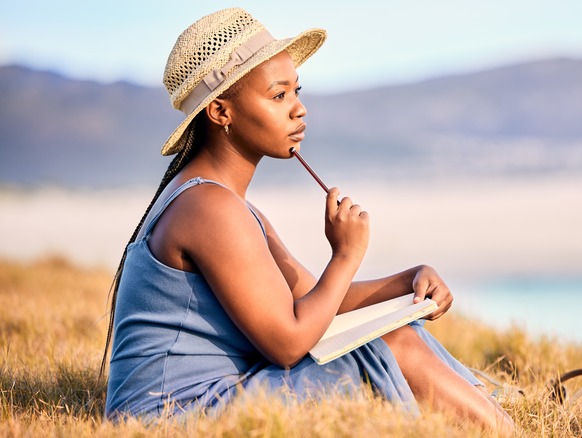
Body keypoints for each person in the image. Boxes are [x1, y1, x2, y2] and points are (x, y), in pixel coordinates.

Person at [101, 7, 514, 434]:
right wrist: (347, 255)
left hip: (206, 400)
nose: (299, 110)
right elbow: (287, 343)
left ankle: (491, 410)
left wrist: (408, 282)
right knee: (392, 344)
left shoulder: (225, 204)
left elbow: (311, 300)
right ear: (221, 112)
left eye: (297, 91)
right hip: (175, 419)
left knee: (397, 330)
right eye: (279, 96)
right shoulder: (209, 208)